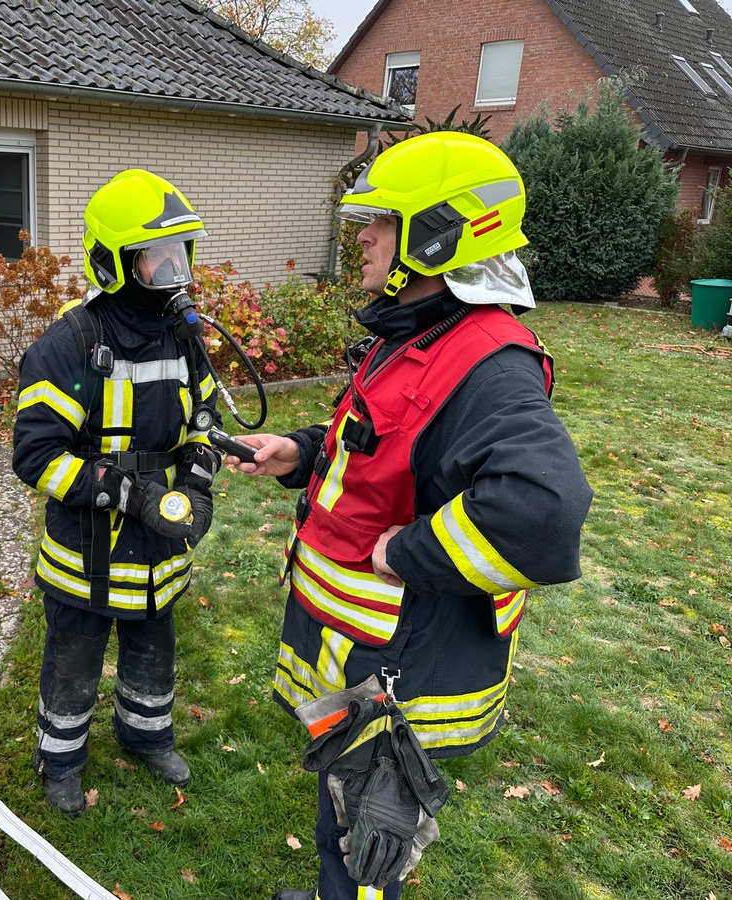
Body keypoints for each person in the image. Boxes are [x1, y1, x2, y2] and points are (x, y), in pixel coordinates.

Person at [224, 133, 593, 899]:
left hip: (403, 672)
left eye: (383, 221)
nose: (361, 235)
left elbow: (545, 511)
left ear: (439, 234)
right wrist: (298, 450)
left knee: (372, 844)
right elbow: (387, 444)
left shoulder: (489, 361)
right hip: (356, 651)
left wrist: (409, 554)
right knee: (344, 812)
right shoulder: (421, 330)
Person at [11, 169, 222, 815]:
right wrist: (127, 495)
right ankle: (62, 759)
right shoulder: (71, 343)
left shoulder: (185, 339)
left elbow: (206, 421)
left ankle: (145, 735)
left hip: (160, 550)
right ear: (112, 263)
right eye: (155, 257)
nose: (172, 270)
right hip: (87, 555)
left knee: (153, 650)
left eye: (179, 254)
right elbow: (36, 456)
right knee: (73, 661)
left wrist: (197, 483)